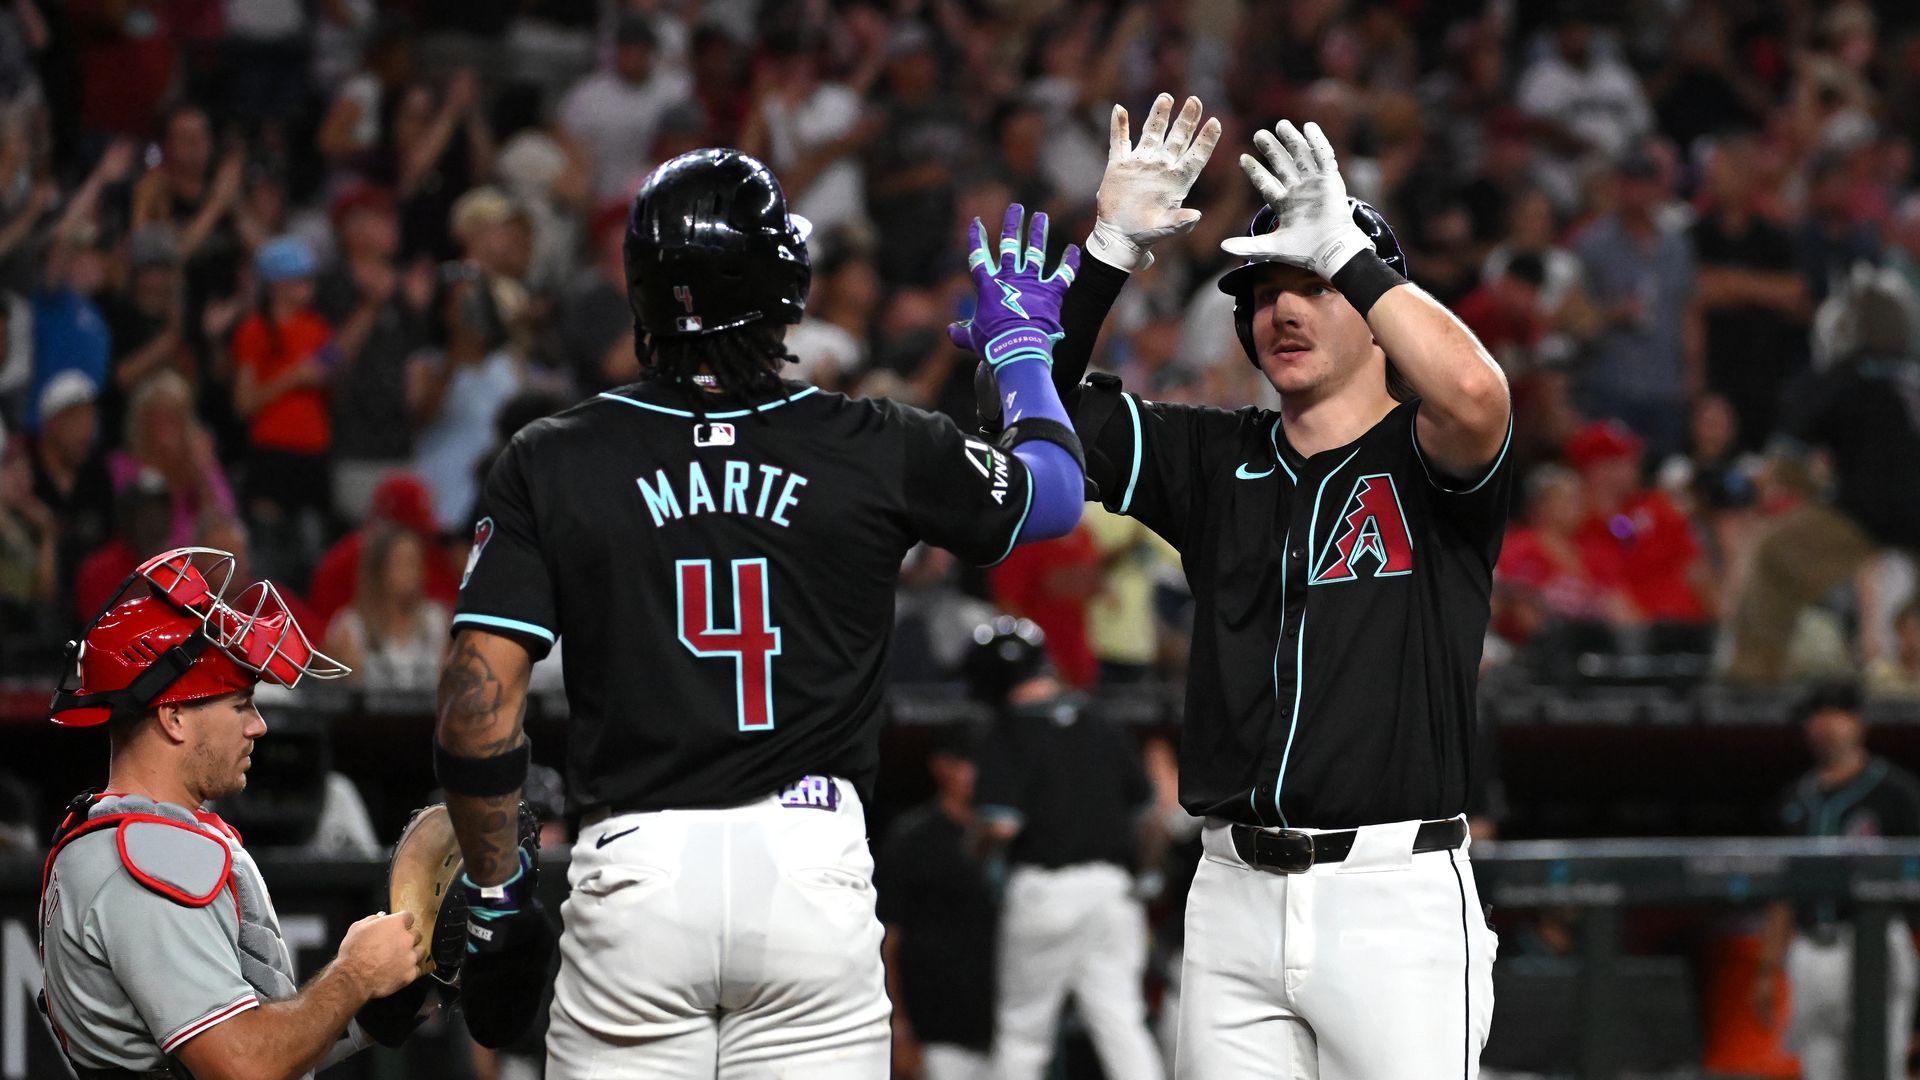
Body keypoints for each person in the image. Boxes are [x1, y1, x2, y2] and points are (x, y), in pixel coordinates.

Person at [433, 147, 1087, 1076]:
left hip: (635, 869)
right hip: (809, 867)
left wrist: (500, 901)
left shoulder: (553, 455)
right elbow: (1056, 494)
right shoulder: (874, 442)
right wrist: (1021, 356)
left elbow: (474, 705)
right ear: (786, 283)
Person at [1052, 95, 1506, 1077]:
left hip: (1395, 898)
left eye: (1314, 284)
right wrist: (1107, 252)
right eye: (1262, 293)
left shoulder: (1429, 459)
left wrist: (1351, 250)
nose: (1282, 309)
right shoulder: (1213, 457)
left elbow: (1474, 394)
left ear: (1376, 304)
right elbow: (1024, 409)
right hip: (1232, 895)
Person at [37, 547, 430, 1079]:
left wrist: (372, 1010)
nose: (258, 726)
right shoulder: (143, 865)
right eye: (241, 704)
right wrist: (353, 975)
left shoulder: (127, 835)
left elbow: (258, 1044)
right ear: (174, 717)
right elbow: (242, 1066)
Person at [967, 617, 1165, 1080]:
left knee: (1023, 1036)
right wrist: (1147, 876)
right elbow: (1150, 814)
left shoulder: (1008, 729)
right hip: (1113, 892)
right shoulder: (1100, 722)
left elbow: (1000, 826)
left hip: (1044, 891)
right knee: (1123, 1025)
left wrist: (973, 848)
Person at [1755, 682, 1920, 1080]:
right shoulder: (1795, 797)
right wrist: (1765, 968)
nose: (1826, 725)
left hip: (1879, 943)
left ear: (1858, 722)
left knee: (1882, 1069)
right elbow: (1783, 892)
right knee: (1820, 1071)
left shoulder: (1896, 793)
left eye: (1837, 713)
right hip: (1812, 948)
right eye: (1817, 715)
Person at [875, 725, 1000, 1080]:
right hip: (937, 1034)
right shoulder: (911, 840)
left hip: (1002, 1030)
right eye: (969, 763)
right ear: (942, 766)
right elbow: (889, 939)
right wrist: (898, 1026)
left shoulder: (1009, 837)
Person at [322, 523, 450, 691]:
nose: (410, 572)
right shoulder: (351, 626)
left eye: (414, 562)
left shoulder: (437, 621)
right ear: (380, 570)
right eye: (401, 562)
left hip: (427, 715)